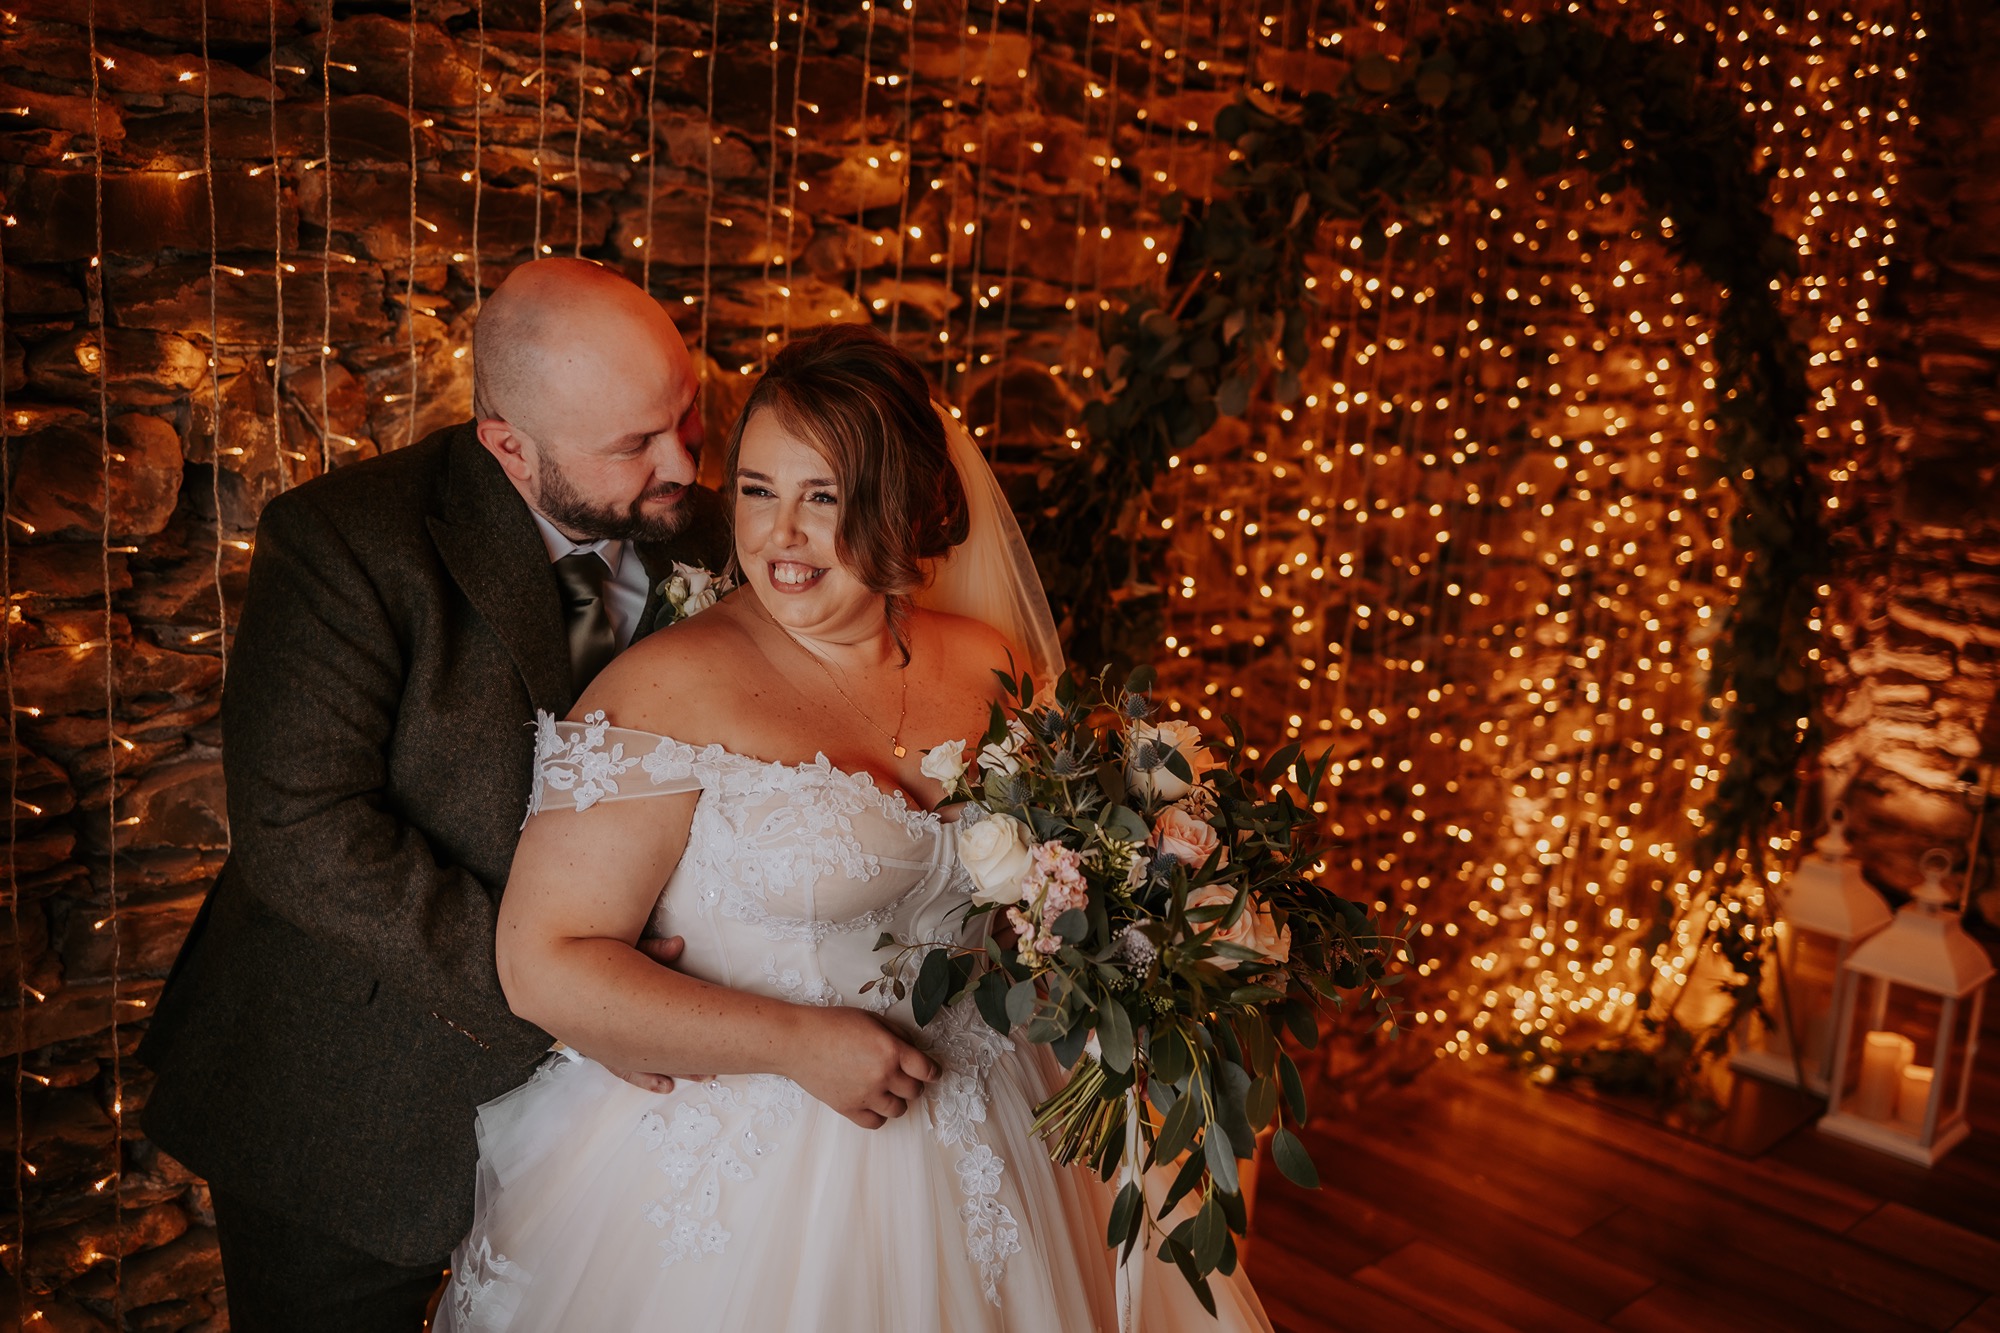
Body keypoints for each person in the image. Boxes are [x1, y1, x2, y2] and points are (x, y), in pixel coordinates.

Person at [437, 323, 1270, 1331]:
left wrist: (1130, 931)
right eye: (755, 489)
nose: (777, 535)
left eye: (820, 497)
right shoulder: (663, 689)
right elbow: (545, 962)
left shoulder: (991, 664)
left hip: (996, 1130)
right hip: (747, 1180)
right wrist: (795, 1043)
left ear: (901, 503)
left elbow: (1050, 893)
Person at [137, 259, 731, 1329]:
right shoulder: (345, 542)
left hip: (637, 1123)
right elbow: (301, 829)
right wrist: (573, 991)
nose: (683, 462)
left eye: (685, 416)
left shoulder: (720, 534)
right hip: (354, 1099)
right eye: (633, 445)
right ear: (508, 445)